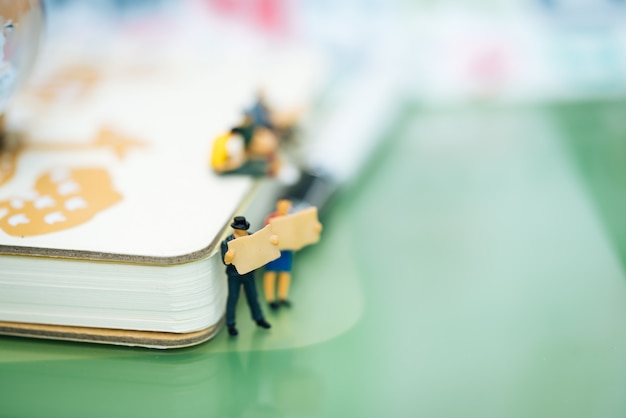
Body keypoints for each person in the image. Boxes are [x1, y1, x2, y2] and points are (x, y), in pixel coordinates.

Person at [221, 216, 272, 336]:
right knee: (233, 298)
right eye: (241, 229)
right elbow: (225, 261)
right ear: (236, 229)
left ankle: (259, 318)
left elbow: (260, 250)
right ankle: (230, 324)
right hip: (234, 274)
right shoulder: (227, 242)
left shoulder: (252, 237)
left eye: (244, 229)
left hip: (249, 272)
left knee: (253, 296)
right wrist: (229, 256)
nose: (244, 231)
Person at [263, 199, 294, 310]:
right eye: (282, 205)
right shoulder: (271, 219)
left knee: (285, 273)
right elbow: (266, 233)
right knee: (271, 273)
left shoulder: (291, 219)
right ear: (278, 205)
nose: (284, 208)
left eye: (286, 205)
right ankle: (270, 299)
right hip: (274, 249)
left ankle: (282, 296)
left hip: (286, 249)